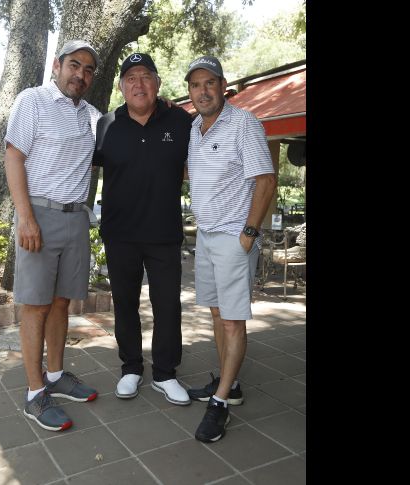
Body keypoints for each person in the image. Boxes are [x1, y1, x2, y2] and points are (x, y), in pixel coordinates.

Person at [3, 40, 102, 432]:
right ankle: (33, 393)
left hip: (76, 218)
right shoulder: (33, 101)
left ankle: (57, 375)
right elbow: (13, 156)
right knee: (36, 306)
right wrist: (25, 217)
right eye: (74, 65)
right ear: (57, 66)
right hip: (38, 215)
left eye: (88, 69)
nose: (80, 74)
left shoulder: (93, 116)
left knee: (61, 303)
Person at [184, 55, 277, 442]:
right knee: (217, 313)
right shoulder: (193, 127)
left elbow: (266, 180)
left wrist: (248, 234)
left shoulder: (243, 123)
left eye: (210, 83)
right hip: (205, 236)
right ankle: (230, 382)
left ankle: (220, 403)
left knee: (231, 321)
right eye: (196, 85)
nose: (203, 91)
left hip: (234, 238)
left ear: (223, 86)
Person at [93, 53, 193, 405]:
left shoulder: (181, 121)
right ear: (121, 86)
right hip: (119, 233)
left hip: (164, 233)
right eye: (131, 77)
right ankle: (131, 368)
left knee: (168, 305)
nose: (138, 83)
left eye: (146, 76)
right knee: (125, 304)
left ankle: (165, 373)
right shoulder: (105, 125)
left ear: (157, 84)